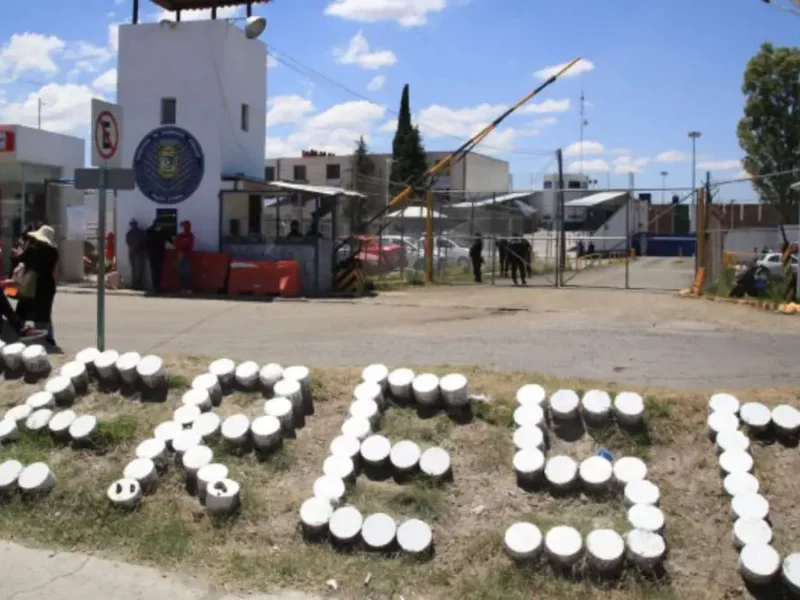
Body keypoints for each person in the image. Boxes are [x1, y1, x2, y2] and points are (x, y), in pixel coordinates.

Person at [13, 224, 59, 344]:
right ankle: (47, 338)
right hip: (48, 286)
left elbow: (20, 259)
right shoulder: (53, 252)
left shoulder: (33, 250)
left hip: (31, 285)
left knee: (22, 310)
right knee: (44, 314)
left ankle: (18, 334)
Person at [146, 219, 169, 291]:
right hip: (155, 253)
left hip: (156, 253)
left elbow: (167, 239)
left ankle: (157, 285)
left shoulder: (161, 232)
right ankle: (156, 286)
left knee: (157, 270)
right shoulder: (150, 231)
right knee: (156, 270)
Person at [125, 219, 147, 290]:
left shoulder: (129, 233)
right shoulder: (142, 232)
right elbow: (145, 241)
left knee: (134, 268)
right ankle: (139, 284)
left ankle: (134, 284)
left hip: (133, 252)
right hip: (141, 252)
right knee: (141, 269)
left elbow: (128, 242)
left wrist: (133, 247)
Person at [174, 220, 195, 294]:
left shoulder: (189, 236)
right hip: (182, 255)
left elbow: (181, 244)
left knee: (186, 272)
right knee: (182, 272)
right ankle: (184, 288)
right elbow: (177, 244)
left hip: (186, 256)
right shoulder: (183, 236)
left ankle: (187, 288)